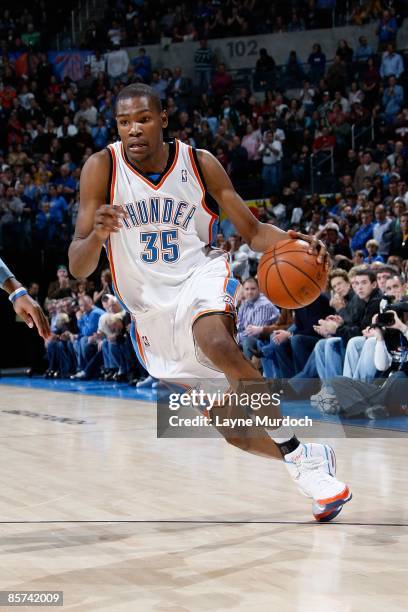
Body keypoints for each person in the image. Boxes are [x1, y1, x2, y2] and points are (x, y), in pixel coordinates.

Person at [69, 83, 351, 522]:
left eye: (143, 119)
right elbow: (78, 266)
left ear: (163, 119)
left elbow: (254, 233)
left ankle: (296, 454)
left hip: (199, 277)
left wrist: (297, 241)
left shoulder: (199, 164)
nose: (133, 130)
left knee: (218, 344)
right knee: (235, 434)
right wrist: (97, 237)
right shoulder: (101, 168)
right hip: (150, 313)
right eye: (124, 123)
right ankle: (309, 456)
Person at [0, 256, 50, 339]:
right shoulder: (25, 298)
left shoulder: (37, 299)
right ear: (30, 288)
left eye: (37, 289)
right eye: (34, 288)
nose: (36, 290)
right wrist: (18, 292)